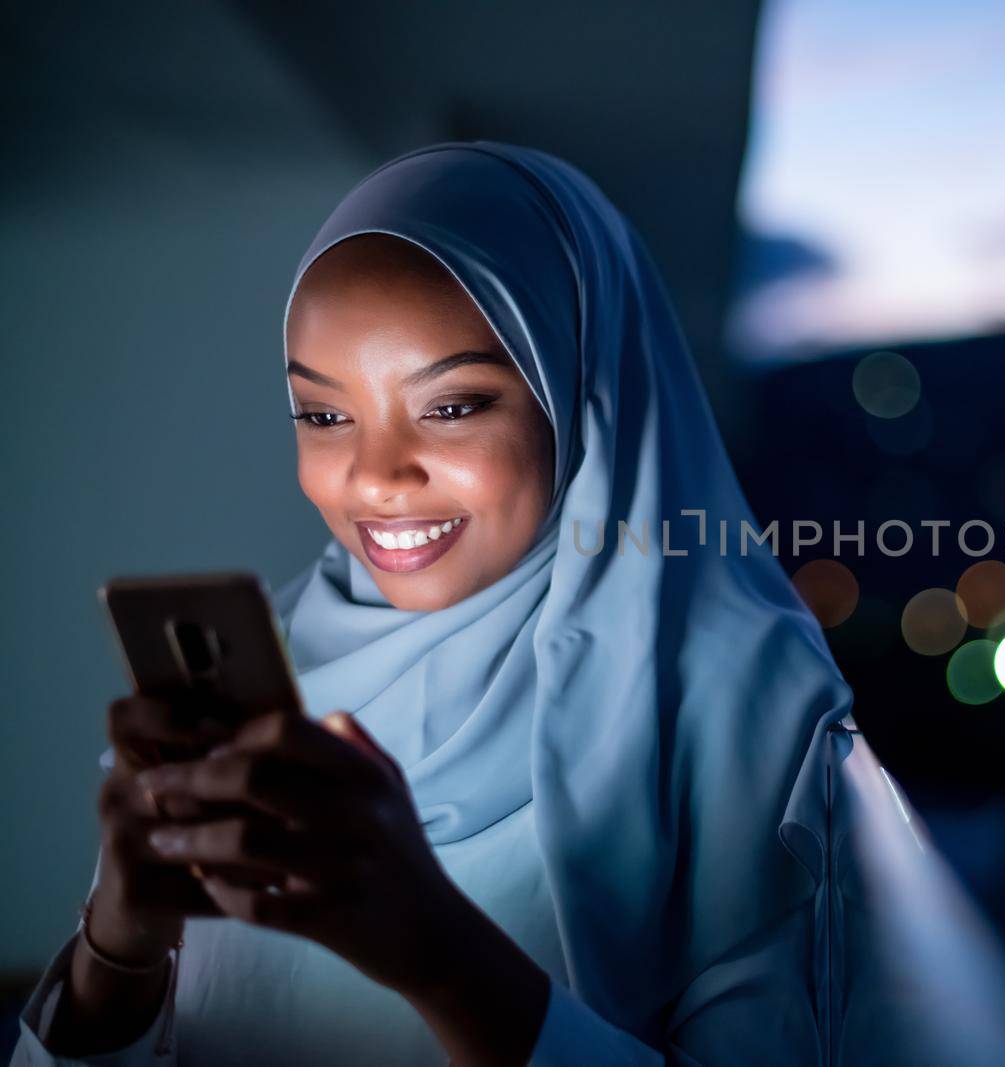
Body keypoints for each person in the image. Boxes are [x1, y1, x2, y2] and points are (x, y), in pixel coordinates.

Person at [11, 141, 858, 1066]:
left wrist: (438, 953)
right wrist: (119, 947)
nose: (375, 478)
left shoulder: (743, 702)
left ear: (585, 398)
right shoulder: (273, 669)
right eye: (324, 415)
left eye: (452, 406)